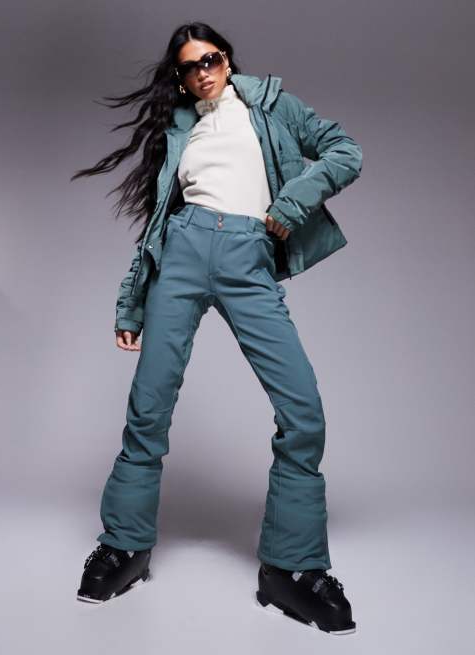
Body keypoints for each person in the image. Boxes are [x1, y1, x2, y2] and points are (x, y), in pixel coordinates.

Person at [71, 21, 362, 635]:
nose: (201, 72)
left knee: (302, 409)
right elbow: (156, 223)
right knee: (148, 407)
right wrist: (130, 304)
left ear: (226, 59)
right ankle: (125, 545)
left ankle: (291, 566)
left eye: (209, 59)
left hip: (248, 256)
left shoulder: (271, 104)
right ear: (179, 78)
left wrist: (290, 205)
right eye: (188, 67)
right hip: (181, 253)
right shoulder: (180, 127)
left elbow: (345, 151)